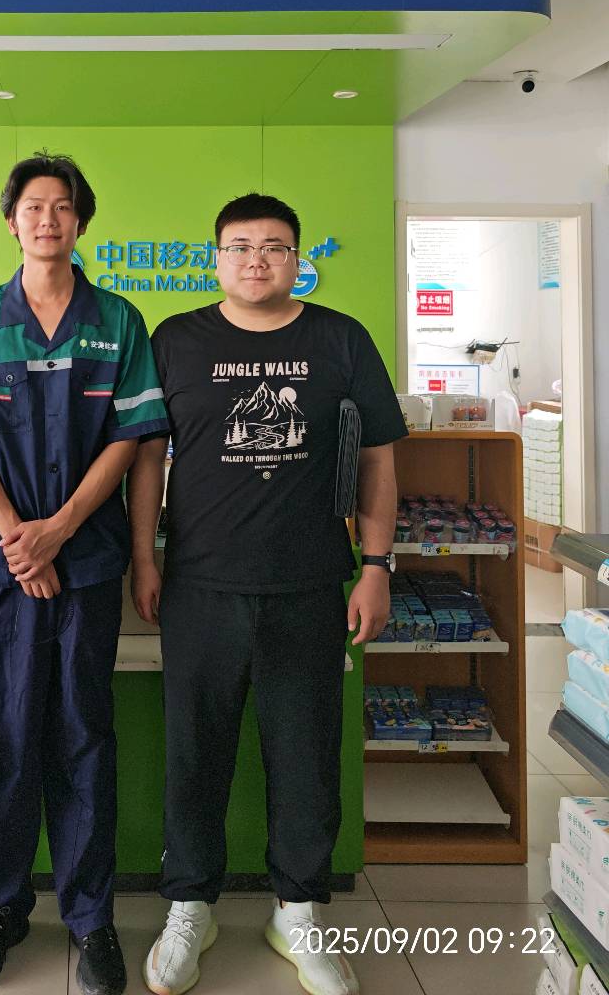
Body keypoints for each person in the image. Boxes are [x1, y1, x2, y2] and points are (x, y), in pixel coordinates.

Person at [132, 193, 406, 995]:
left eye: (276, 246)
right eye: (241, 246)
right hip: (200, 585)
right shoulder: (176, 340)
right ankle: (190, 903)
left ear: (296, 259)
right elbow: (147, 457)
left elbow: (379, 459)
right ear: (216, 258)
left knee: (306, 754)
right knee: (195, 752)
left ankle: (299, 909)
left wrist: (377, 565)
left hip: (311, 582)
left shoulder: (340, 339)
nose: (258, 259)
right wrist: (145, 558)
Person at [0, 153, 169, 995]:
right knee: (5, 735)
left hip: (86, 560)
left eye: (63, 207)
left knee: (82, 733)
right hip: (1, 571)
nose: (48, 219)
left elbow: (131, 440)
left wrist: (59, 532)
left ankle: (91, 917)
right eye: (34, 206)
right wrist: (17, 541)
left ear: (80, 222)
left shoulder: (118, 321)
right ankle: (0, 908)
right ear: (12, 221)